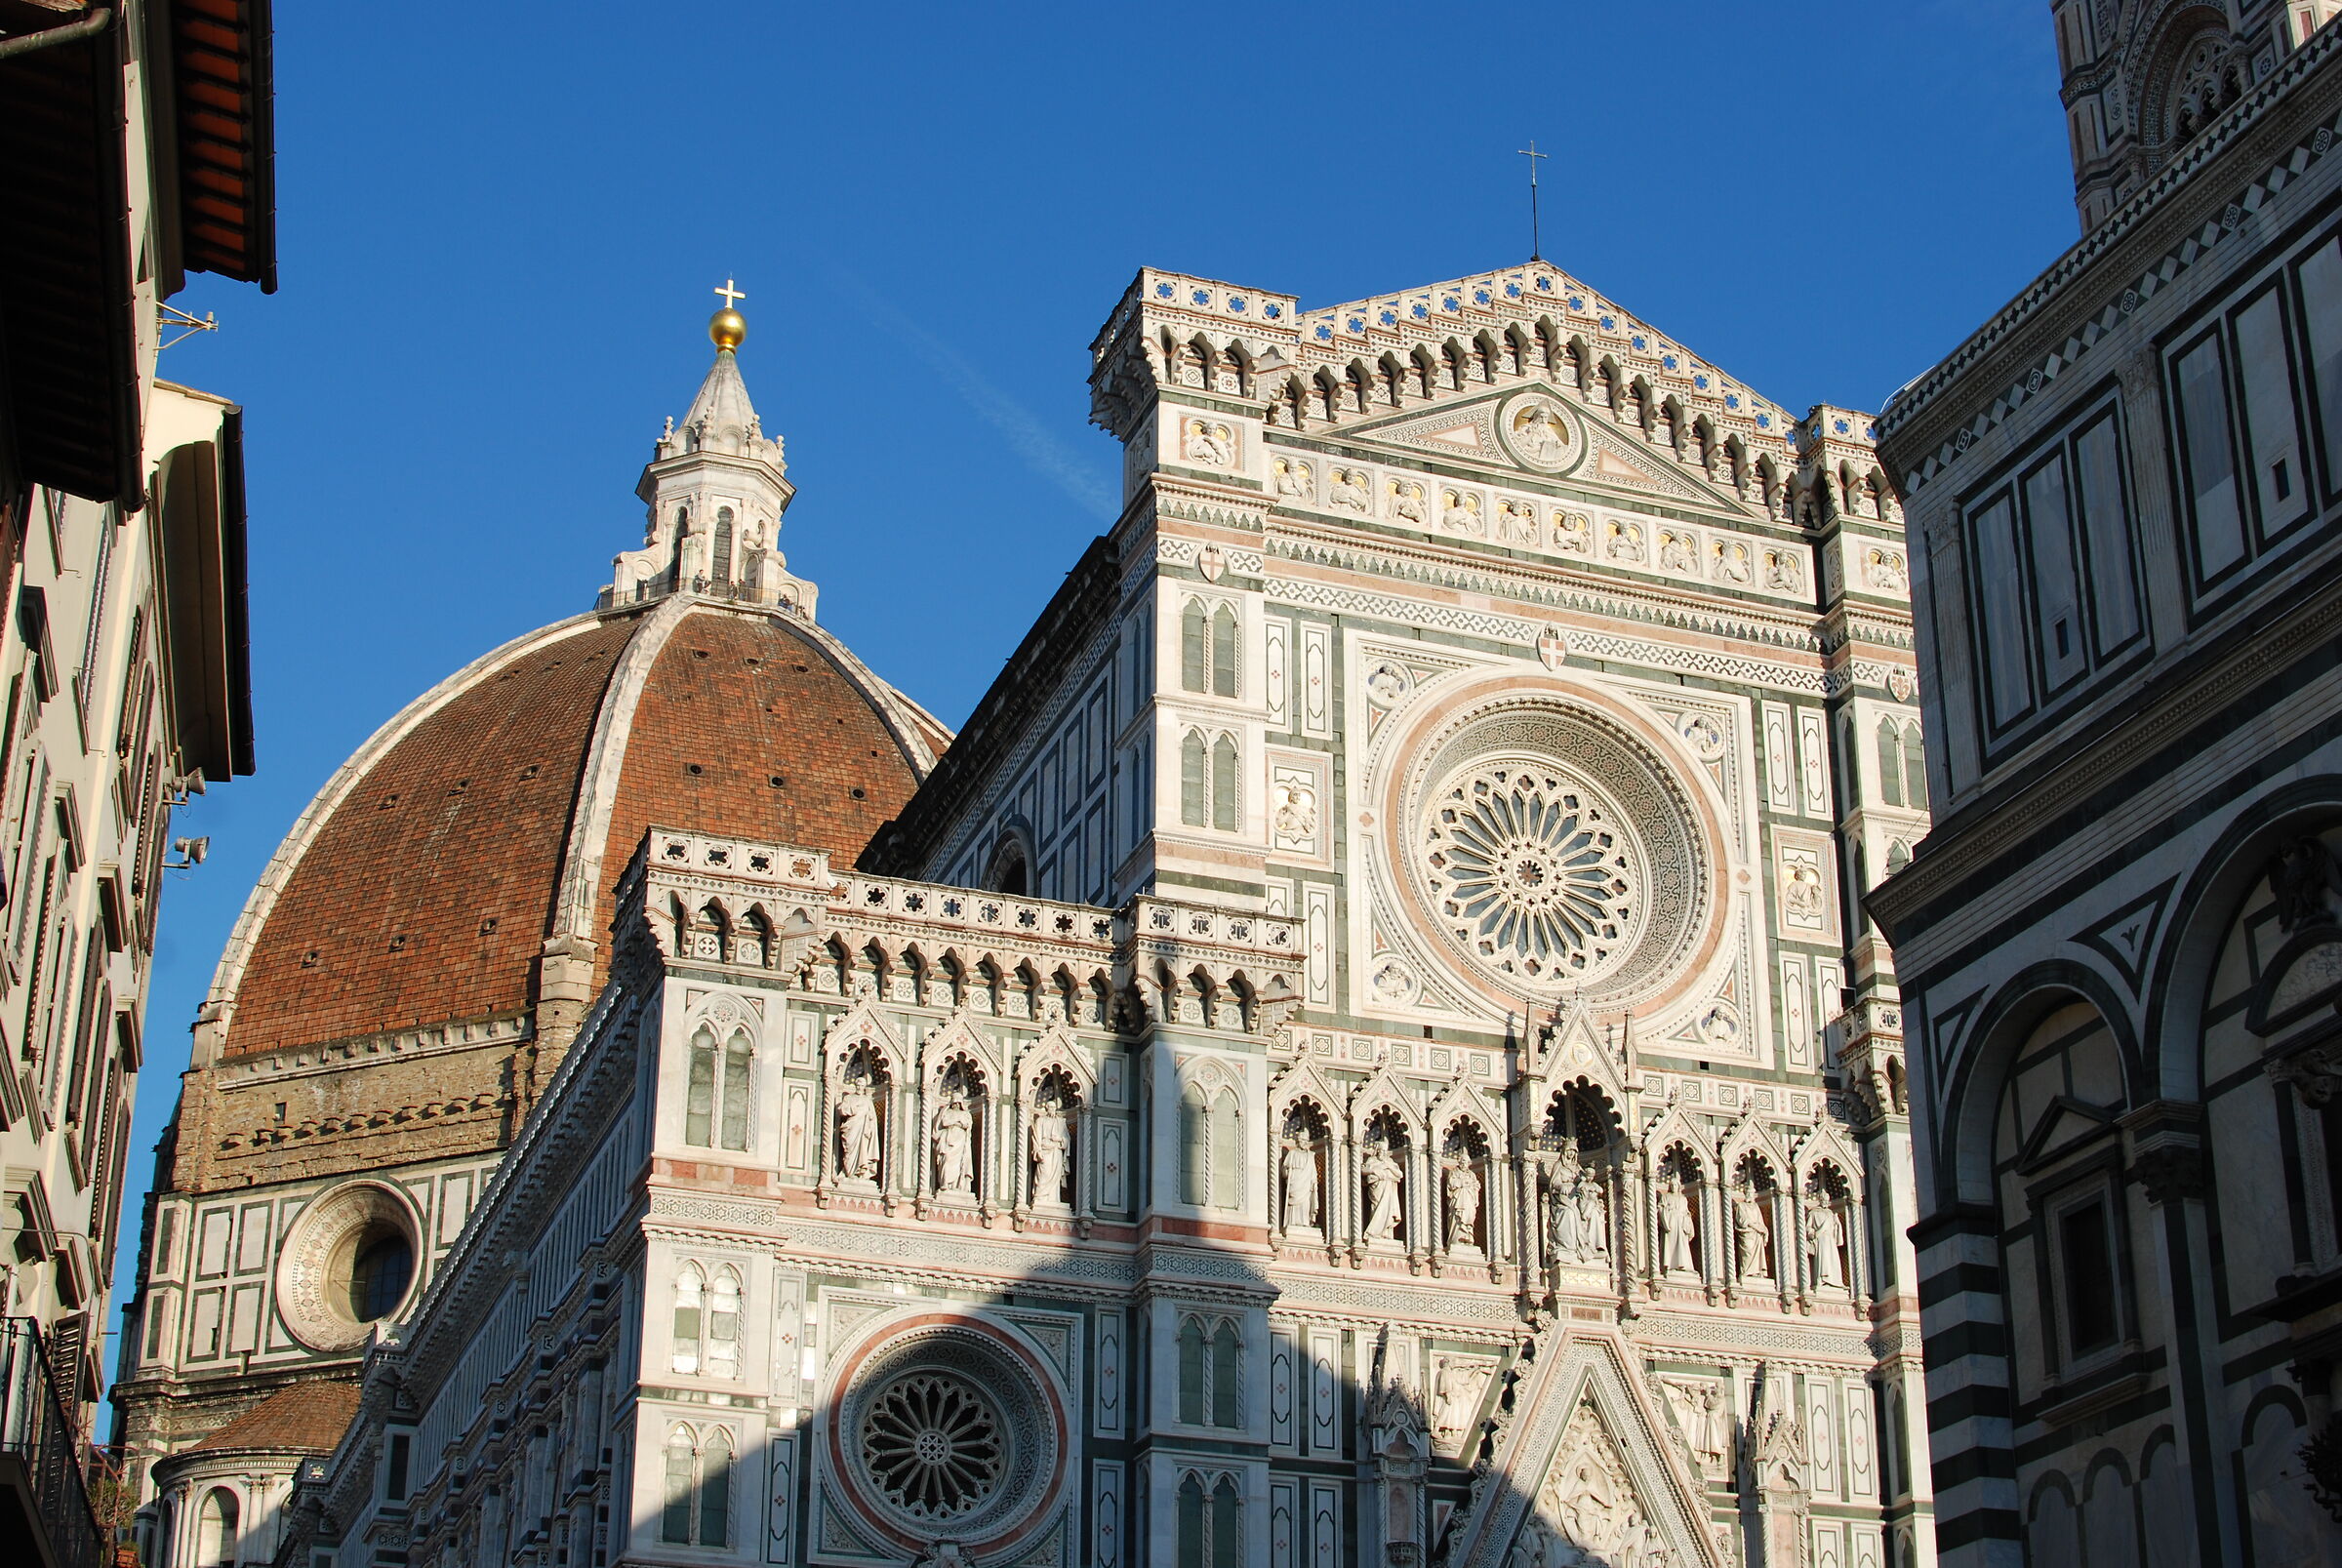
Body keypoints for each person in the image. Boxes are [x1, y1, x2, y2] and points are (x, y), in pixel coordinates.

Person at [837, 1075, 880, 1181]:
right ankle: (848, 1171)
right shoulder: (848, 1097)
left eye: (861, 1085)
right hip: (852, 1127)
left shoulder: (867, 1100)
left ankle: (860, 1171)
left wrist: (870, 1123)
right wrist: (852, 1109)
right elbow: (841, 1109)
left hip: (863, 1130)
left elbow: (872, 1117)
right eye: (858, 1084)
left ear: (864, 1087)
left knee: (863, 1149)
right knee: (849, 1149)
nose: (859, 1087)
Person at [1030, 1096, 1069, 1204]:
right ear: (1046, 1108)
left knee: (1055, 1178)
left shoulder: (1061, 1122)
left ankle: (1053, 1199)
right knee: (1044, 1173)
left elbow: (1067, 1139)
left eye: (1054, 1107)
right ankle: (1039, 1197)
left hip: (1056, 1150)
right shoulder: (1040, 1121)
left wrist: (1060, 1139)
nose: (1052, 1109)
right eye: (1050, 1107)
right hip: (1045, 1150)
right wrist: (1038, 1151)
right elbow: (1037, 1137)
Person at [1363, 1142, 1404, 1241]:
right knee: (1377, 1207)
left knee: (1388, 1210)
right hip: (1377, 1188)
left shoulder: (1390, 1162)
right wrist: (1375, 1170)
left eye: (1385, 1151)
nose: (1383, 1153)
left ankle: (1385, 1233)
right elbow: (1363, 1170)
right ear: (1377, 1151)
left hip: (1389, 1190)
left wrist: (1388, 1167)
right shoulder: (1372, 1160)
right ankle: (1373, 1233)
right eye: (1381, 1151)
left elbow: (1400, 1175)